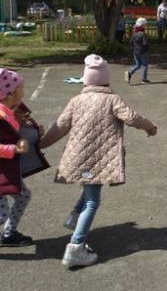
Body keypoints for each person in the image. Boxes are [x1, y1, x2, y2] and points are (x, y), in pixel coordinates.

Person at [39, 54, 157, 269]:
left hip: (79, 159)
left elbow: (59, 126)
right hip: (98, 159)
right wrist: (150, 127)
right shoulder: (112, 99)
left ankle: (75, 216)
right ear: (106, 80)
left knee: (90, 187)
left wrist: (40, 144)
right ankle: (75, 247)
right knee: (93, 201)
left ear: (85, 81)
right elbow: (131, 117)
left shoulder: (76, 101)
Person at [0, 69, 33, 247]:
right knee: (1, 214)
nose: (23, 93)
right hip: (2, 171)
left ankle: (8, 234)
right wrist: (14, 149)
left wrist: (35, 131)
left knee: (23, 196)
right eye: (20, 89)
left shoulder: (8, 110)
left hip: (6, 171)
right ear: (9, 93)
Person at [125, 17, 150, 84]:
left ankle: (130, 73)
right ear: (142, 25)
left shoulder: (134, 33)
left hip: (135, 52)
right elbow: (145, 44)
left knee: (138, 64)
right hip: (143, 51)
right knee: (144, 65)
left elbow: (131, 43)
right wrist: (147, 47)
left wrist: (134, 49)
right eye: (145, 24)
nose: (146, 26)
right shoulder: (143, 34)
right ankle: (144, 79)